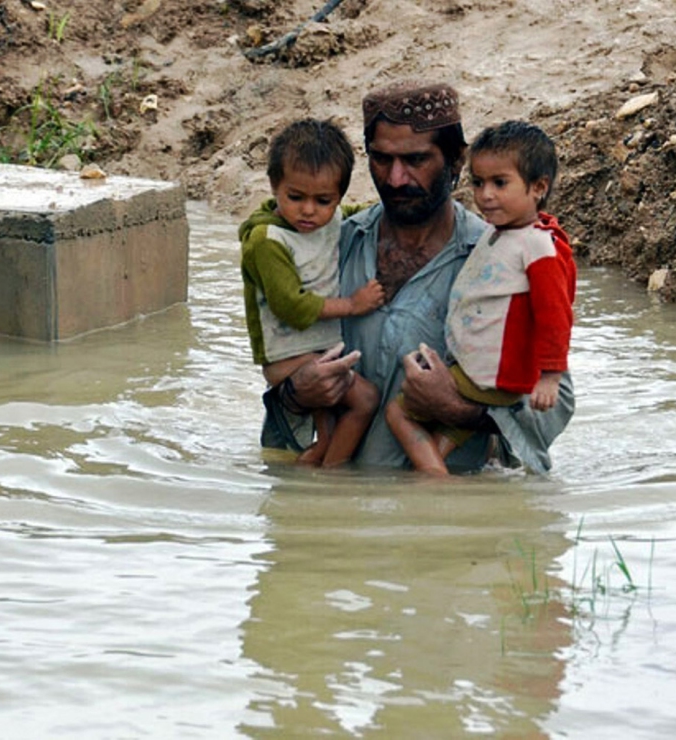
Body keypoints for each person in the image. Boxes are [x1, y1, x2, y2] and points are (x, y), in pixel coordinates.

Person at [261, 80, 575, 474]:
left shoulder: (503, 256)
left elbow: (555, 404)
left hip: (448, 516)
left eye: (415, 160)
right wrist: (295, 394)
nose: (395, 179)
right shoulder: (331, 247)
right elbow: (280, 360)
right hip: (340, 511)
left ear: (456, 162)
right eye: (381, 160)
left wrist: (458, 410)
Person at [386, 120, 576, 475]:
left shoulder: (537, 244)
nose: (485, 194)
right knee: (438, 450)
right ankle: (435, 481)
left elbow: (555, 313)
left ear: (538, 187)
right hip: (478, 372)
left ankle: (434, 483)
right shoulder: (502, 234)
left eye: (499, 183)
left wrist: (550, 376)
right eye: (478, 182)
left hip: (489, 377)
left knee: (397, 411)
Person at [240, 118, 386, 467]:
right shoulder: (266, 240)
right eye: (295, 197)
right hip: (290, 358)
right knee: (365, 400)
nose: (308, 210)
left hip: (317, 351)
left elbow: (360, 217)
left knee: (330, 434)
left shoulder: (332, 219)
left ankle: (313, 475)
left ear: (338, 196)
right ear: (274, 186)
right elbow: (290, 305)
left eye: (323, 200)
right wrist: (352, 305)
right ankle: (330, 481)